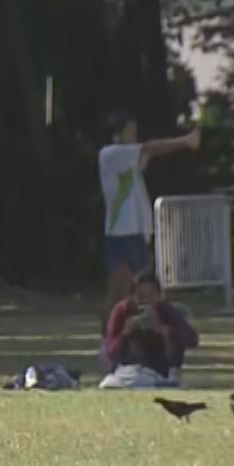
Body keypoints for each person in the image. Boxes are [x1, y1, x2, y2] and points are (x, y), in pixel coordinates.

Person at [99, 113, 200, 316]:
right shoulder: (111, 153)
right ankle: (111, 338)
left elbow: (146, 156)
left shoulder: (127, 158)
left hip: (136, 230)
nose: (133, 137)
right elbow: (151, 147)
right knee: (120, 295)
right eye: (129, 132)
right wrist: (185, 141)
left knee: (143, 290)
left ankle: (141, 331)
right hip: (121, 232)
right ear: (116, 135)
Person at [100, 270, 199, 388]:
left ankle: (168, 377)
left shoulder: (166, 311)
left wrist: (163, 330)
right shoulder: (122, 310)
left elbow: (192, 339)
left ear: (159, 296)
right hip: (129, 365)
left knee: (172, 338)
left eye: (151, 297)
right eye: (140, 297)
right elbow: (110, 351)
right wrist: (125, 334)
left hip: (160, 363)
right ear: (132, 297)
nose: (146, 302)